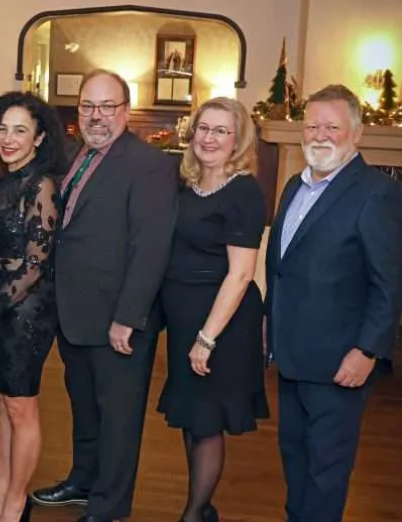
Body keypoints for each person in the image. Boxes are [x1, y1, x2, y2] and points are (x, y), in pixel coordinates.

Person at [31, 69, 178, 522]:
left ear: (126, 111)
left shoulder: (150, 164)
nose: (96, 116)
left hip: (119, 318)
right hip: (74, 313)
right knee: (85, 408)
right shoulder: (75, 155)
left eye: (107, 107)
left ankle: (109, 505)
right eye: (87, 107)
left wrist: (128, 316)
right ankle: (83, 480)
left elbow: (150, 247)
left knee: (118, 419)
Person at [265, 84, 402, 522]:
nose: (320, 135)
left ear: (356, 134)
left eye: (332, 127)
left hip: (341, 360)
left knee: (326, 469)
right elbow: (282, 267)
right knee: (295, 456)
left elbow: (389, 282)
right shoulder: (294, 186)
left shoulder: (376, 193)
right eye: (312, 126)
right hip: (292, 356)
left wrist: (367, 350)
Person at [157, 97, 270, 522]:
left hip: (222, 323)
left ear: (238, 140)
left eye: (221, 131)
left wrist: (207, 338)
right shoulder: (186, 184)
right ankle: (203, 509)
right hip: (186, 319)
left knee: (207, 421)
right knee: (191, 415)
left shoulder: (243, 192)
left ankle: (193, 514)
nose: (209, 138)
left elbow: (241, 275)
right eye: (204, 128)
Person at [0, 91, 67, 522]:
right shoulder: (4, 181)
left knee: (20, 407)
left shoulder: (42, 185)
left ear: (39, 138)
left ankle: (17, 504)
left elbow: (35, 263)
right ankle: (4, 496)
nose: (8, 138)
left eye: (20, 130)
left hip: (26, 313)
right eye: (2, 129)